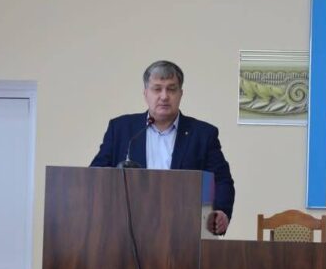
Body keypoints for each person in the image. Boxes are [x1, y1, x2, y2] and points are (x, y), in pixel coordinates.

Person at [90, 60, 235, 235]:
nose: (164, 96)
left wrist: (221, 211)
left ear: (181, 94)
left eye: (171, 89)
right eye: (157, 89)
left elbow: (222, 180)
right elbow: (96, 175)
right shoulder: (121, 129)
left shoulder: (203, 134)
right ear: (146, 93)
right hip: (127, 231)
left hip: (184, 232)